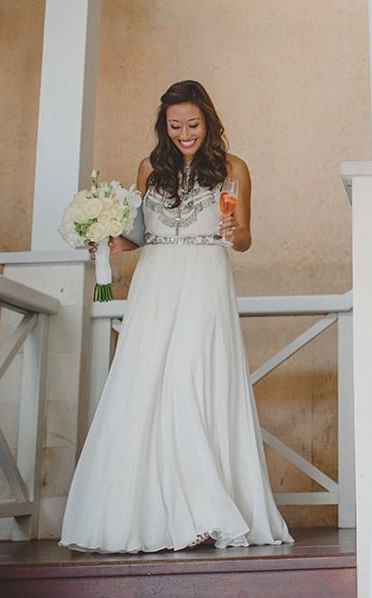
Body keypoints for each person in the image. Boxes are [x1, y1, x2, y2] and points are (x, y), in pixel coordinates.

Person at [60, 80, 292, 553]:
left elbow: (245, 238)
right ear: (164, 127)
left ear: (208, 121)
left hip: (206, 275)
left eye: (193, 124)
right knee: (149, 382)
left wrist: (233, 231)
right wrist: (107, 241)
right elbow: (143, 234)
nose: (185, 134)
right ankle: (161, 512)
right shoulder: (150, 168)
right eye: (175, 126)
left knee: (191, 378)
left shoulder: (234, 168)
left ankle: (207, 509)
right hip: (156, 281)